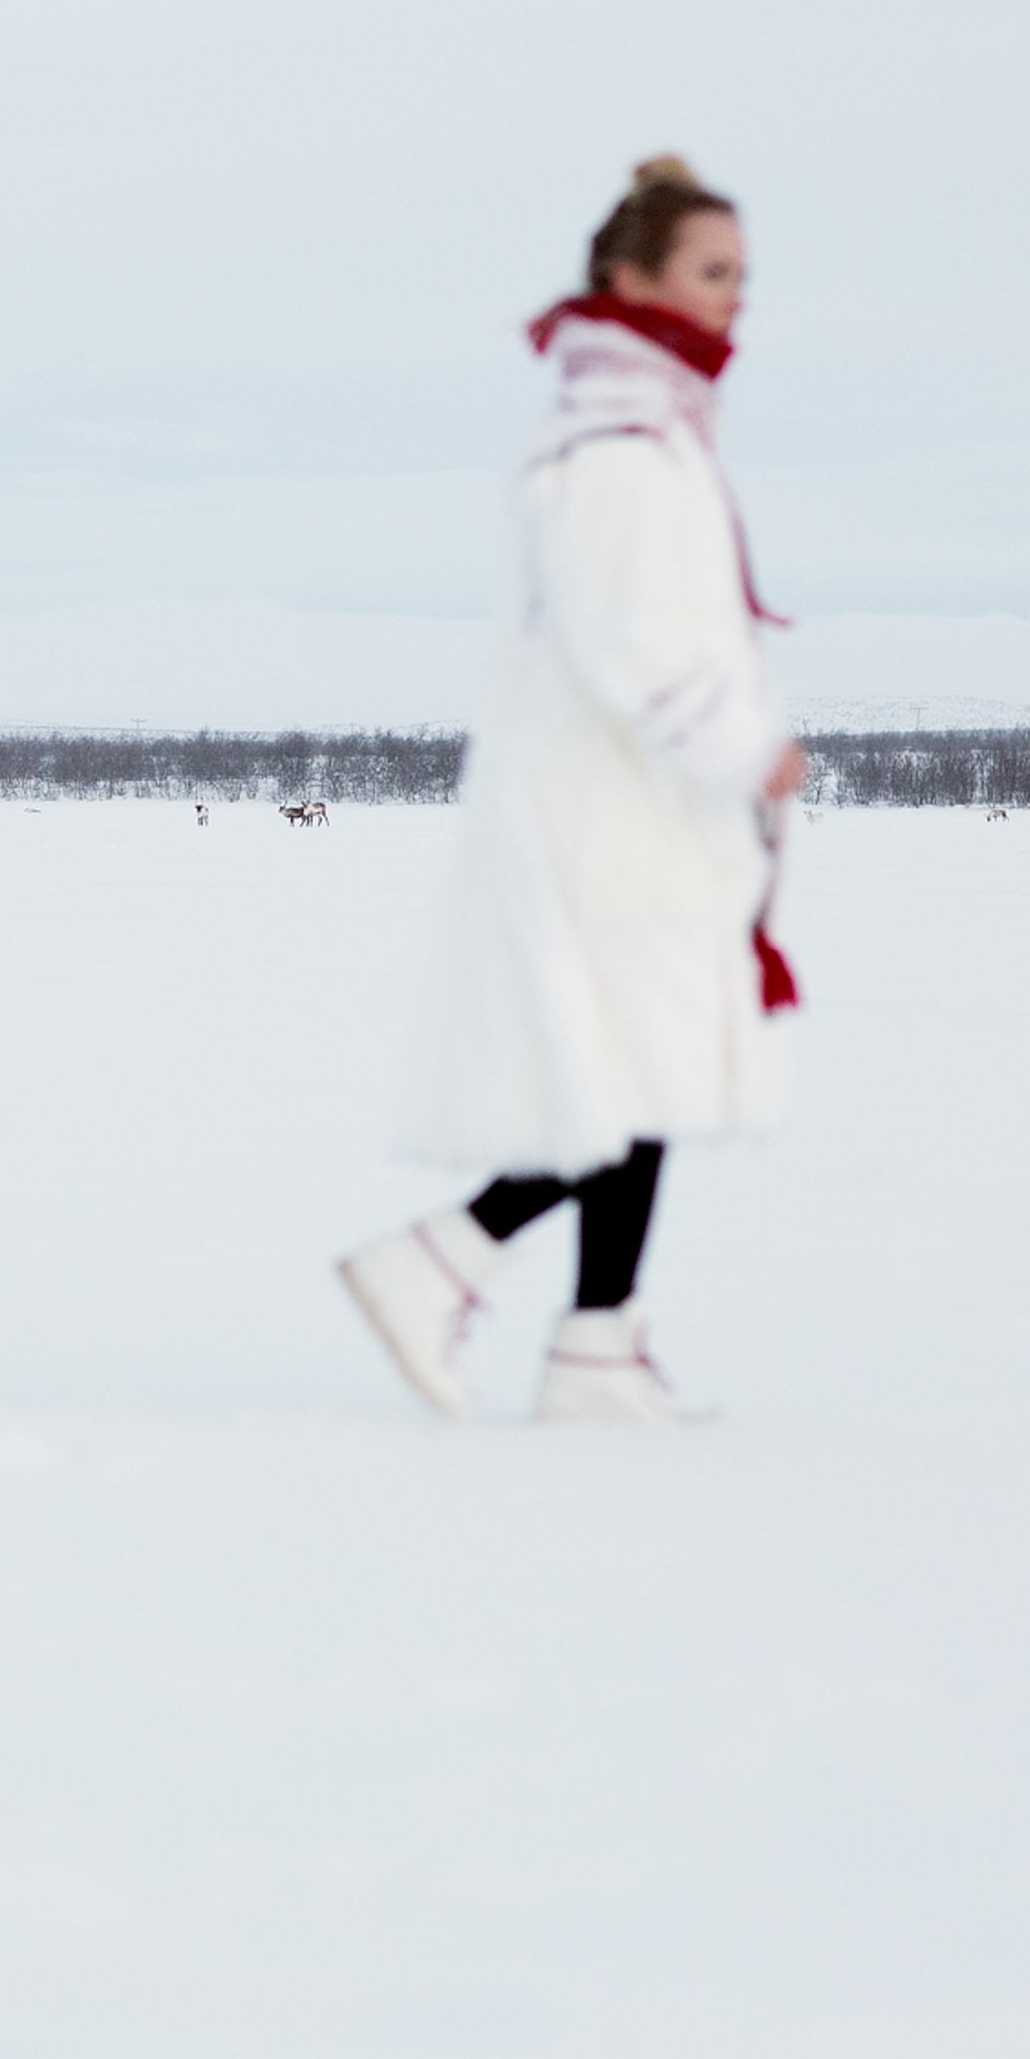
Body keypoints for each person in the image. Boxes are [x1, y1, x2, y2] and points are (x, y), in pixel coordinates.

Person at [338, 155, 806, 1425]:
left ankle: (595, 1347)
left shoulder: (649, 433)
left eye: (743, 279)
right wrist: (739, 744)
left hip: (641, 806)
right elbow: (630, 642)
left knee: (638, 1065)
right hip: (614, 811)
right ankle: (436, 1262)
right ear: (630, 278)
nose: (734, 305)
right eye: (712, 275)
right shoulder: (615, 447)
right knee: (627, 1065)